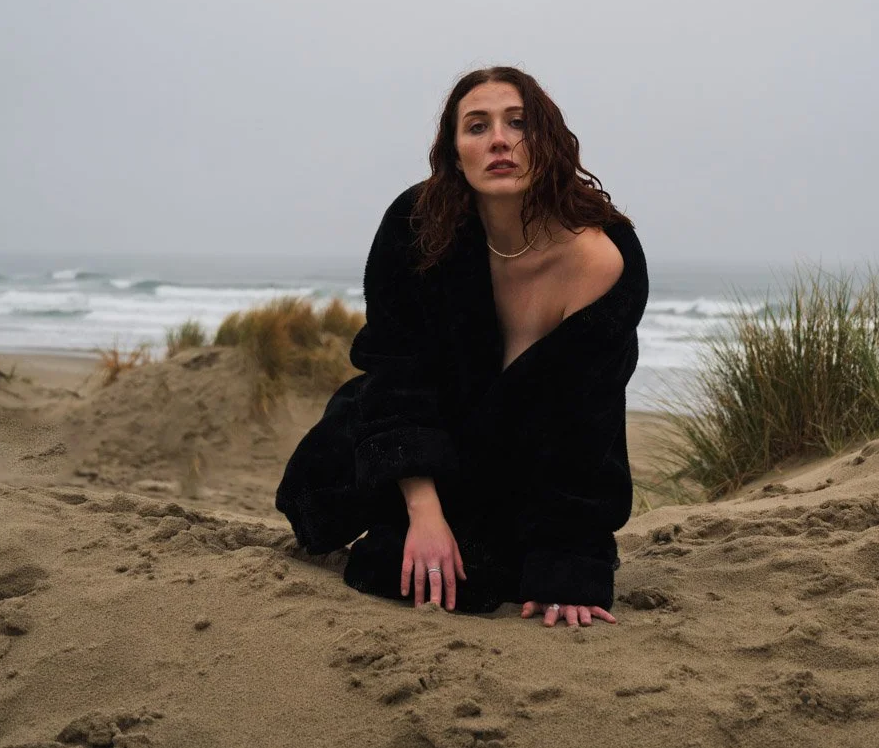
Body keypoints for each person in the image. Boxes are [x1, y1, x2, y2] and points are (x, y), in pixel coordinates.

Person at [276, 66, 648, 628]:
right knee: (339, 520)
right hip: (427, 432)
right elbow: (396, 371)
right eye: (477, 126)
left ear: (547, 142)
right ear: (454, 153)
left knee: (486, 578)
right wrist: (423, 510)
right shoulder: (415, 225)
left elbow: (587, 423)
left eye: (518, 123)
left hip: (523, 460)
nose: (499, 139)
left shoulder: (597, 259)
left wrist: (570, 565)